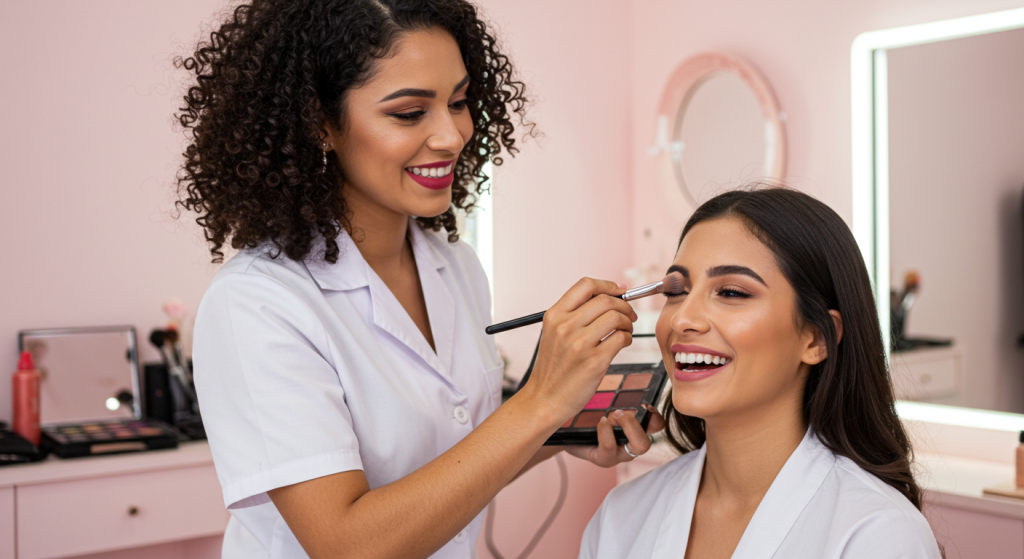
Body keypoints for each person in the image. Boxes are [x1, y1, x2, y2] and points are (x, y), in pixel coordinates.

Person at [176, 1, 662, 558]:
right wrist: (539, 403)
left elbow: (453, 462)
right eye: (410, 113)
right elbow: (346, 546)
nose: (452, 136)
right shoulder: (257, 303)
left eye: (458, 102)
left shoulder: (455, 265)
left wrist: (559, 429)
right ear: (320, 124)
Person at [579, 187, 942, 558]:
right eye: (676, 291)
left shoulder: (877, 535)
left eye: (731, 292)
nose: (682, 318)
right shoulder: (621, 517)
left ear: (817, 338)